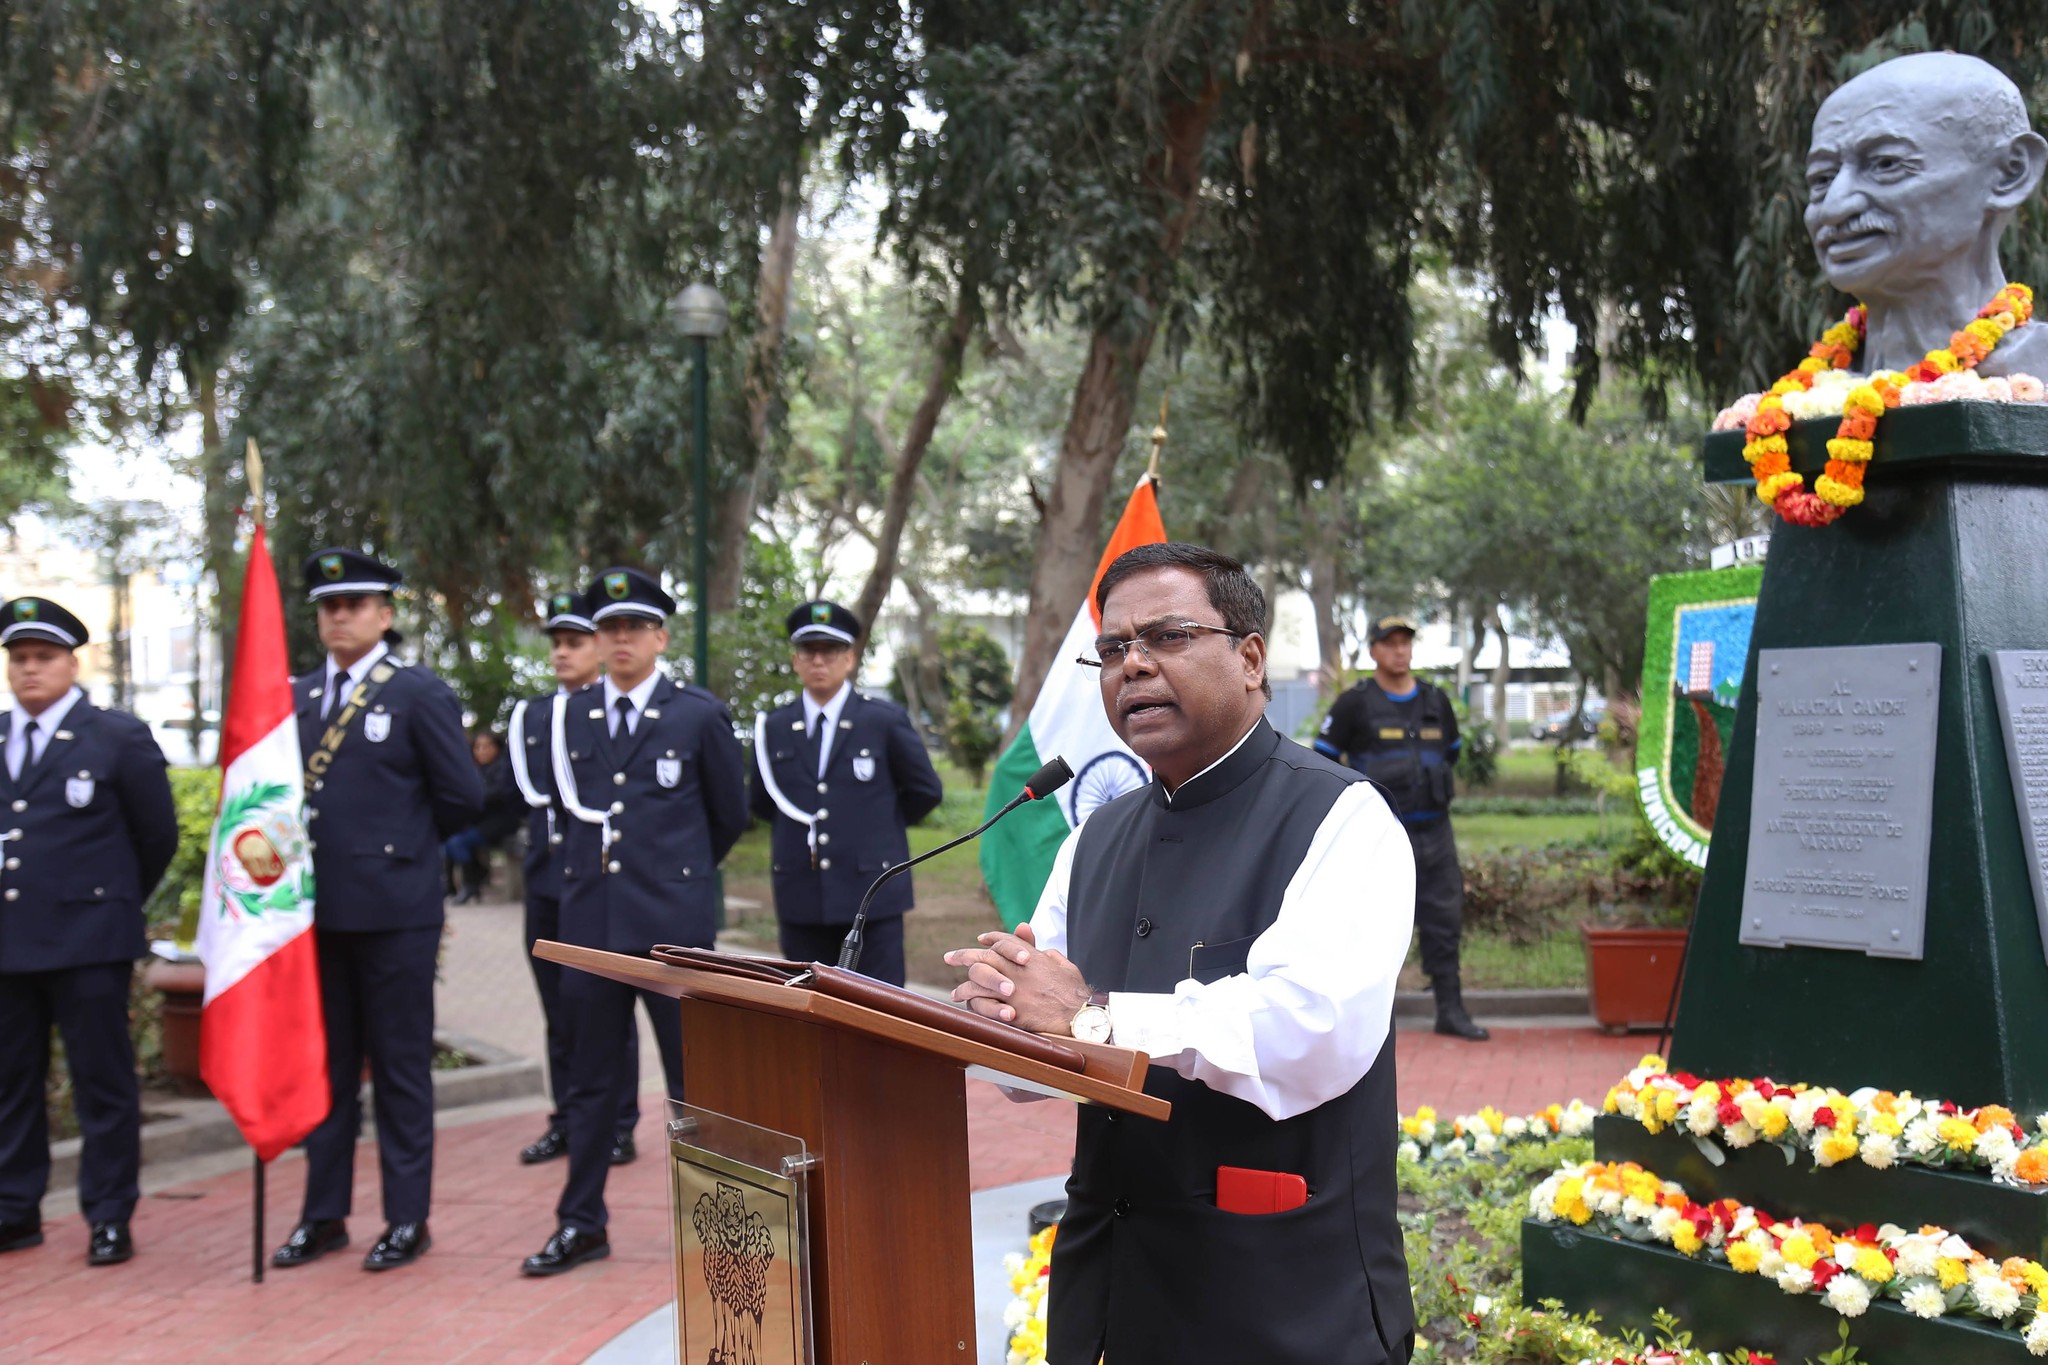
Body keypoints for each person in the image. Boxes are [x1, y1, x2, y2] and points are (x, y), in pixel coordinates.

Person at [945, 543, 1416, 1363]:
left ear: (1250, 657)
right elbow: (1045, 1043)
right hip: (1112, 1285)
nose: (1133, 666)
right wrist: (994, 1021)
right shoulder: (1094, 835)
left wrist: (1090, 1018)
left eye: (1165, 637)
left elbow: (1314, 1030)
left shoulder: (1344, 817)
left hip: (1279, 1294)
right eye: (1115, 648)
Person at [521, 565, 747, 1277]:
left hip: (671, 933)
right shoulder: (574, 716)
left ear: (659, 635)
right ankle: (581, 1220)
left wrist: (672, 879)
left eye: (632, 626)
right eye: (607, 627)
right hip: (591, 925)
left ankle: (719, 1226)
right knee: (590, 1084)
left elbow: (727, 816)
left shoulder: (696, 713)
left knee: (697, 1082)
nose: (618, 638)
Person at [272, 549, 482, 1273]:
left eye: (355, 604)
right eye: (329, 604)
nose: (340, 616)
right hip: (317, 914)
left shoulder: (417, 692)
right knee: (324, 1070)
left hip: (395, 913)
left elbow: (461, 795)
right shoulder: (297, 697)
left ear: (385, 614)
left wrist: (399, 849)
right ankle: (323, 1213)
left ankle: (406, 1217)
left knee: (397, 1068)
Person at [0, 598, 177, 1268]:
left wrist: (109, 899)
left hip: (89, 940)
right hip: (10, 938)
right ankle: (14, 1208)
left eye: (43, 657)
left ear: (72, 663)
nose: (29, 670)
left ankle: (108, 1214)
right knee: (11, 1082)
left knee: (100, 1082)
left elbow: (157, 836)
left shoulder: (116, 736)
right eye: (19, 659)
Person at [1804, 53, 2048, 375]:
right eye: (1822, 180)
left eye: (1886, 164)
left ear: (2010, 172)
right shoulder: (1804, 399)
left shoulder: (2036, 372)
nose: (1834, 208)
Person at [507, 588, 639, 1168]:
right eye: (556, 643)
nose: (562, 653)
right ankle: (567, 1117)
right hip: (547, 879)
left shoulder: (611, 717)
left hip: (601, 882)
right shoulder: (535, 715)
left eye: (575, 642)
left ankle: (620, 1122)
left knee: (610, 1009)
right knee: (560, 1009)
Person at [747, 599, 944, 985]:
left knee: (880, 1016)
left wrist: (873, 823)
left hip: (871, 895)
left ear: (849, 659)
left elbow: (925, 790)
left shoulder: (882, 720)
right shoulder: (773, 726)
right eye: (809, 651)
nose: (819, 660)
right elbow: (761, 801)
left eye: (830, 651)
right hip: (800, 894)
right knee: (806, 1014)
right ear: (795, 660)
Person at [1314, 615, 1488, 1041]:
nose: (1399, 651)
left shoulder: (1436, 701)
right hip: (1380, 837)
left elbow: (1450, 752)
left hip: (1435, 834)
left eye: (1405, 643)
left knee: (1445, 923)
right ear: (1373, 651)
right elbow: (1322, 761)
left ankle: (1450, 1011)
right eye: (1389, 643)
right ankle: (1368, 1027)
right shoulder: (1354, 704)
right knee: (1371, 929)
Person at [442, 729, 523, 904]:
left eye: (486, 746)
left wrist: (471, 798)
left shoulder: (505, 768)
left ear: (497, 747)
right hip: (479, 823)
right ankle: (454, 886)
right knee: (448, 841)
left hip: (501, 822)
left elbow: (496, 795)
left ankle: (472, 885)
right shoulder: (473, 769)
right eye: (478, 747)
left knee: (458, 842)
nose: (482, 751)